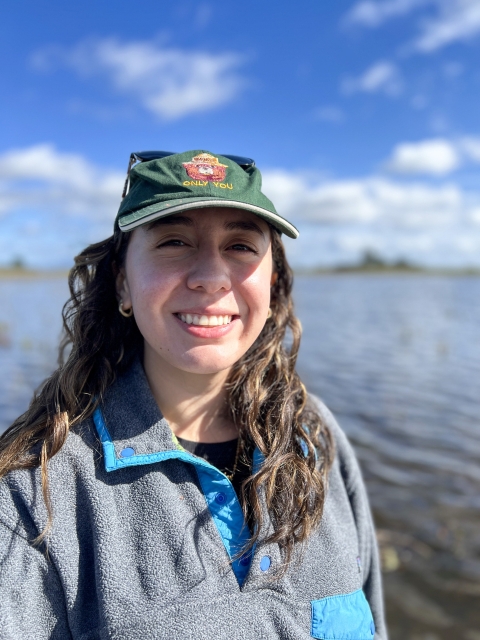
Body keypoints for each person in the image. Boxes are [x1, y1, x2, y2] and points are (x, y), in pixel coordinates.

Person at [0, 150, 387, 639]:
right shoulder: (35, 493)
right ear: (122, 280)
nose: (211, 276)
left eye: (242, 246)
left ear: (272, 282)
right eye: (175, 241)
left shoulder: (314, 435)